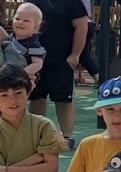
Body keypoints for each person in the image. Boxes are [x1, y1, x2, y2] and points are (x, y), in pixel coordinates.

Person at [28, 0, 88, 149]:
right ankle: (36, 134)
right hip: (35, 57)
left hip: (62, 57)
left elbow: (82, 27)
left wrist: (75, 55)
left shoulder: (73, 2)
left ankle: (68, 136)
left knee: (64, 99)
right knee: (36, 97)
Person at [0, 3, 46, 80]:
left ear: (36, 27)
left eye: (26, 21)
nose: (20, 22)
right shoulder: (11, 37)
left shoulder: (34, 44)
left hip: (20, 77)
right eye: (17, 19)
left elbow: (37, 64)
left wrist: (21, 74)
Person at [76, 0, 98, 86]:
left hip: (82, 24)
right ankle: (97, 76)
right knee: (82, 53)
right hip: (88, 23)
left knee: (81, 53)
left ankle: (97, 76)